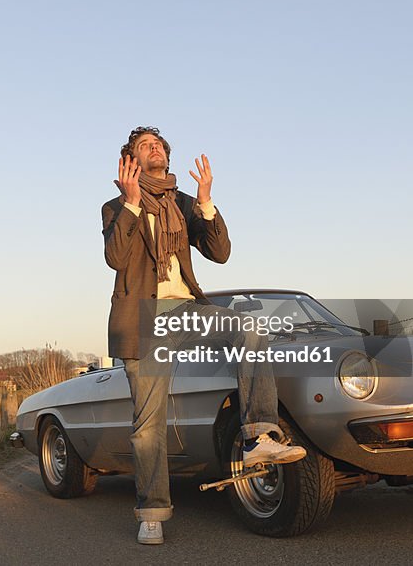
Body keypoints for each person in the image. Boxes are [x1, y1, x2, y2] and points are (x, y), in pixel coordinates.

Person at [101, 126, 305, 546]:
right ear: (131, 161)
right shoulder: (116, 206)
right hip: (143, 322)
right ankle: (152, 510)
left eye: (158, 145)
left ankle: (258, 437)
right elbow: (116, 258)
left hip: (187, 311)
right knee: (148, 425)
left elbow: (220, 252)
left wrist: (208, 201)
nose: (154, 148)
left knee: (248, 327)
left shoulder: (184, 204)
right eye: (144, 146)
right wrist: (133, 204)